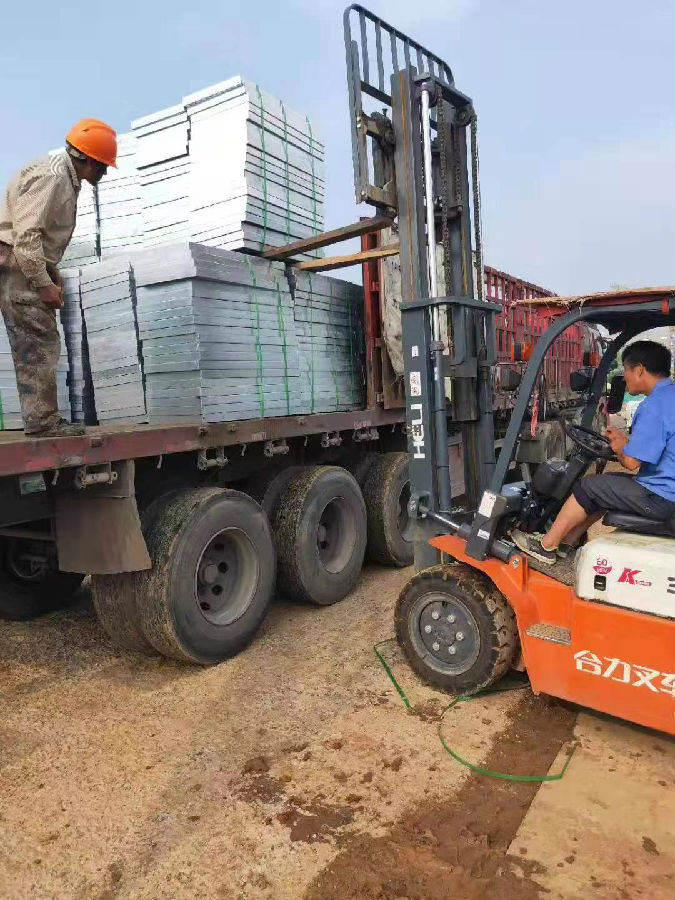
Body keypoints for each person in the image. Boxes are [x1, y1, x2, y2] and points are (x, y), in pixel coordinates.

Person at [0, 119, 117, 437]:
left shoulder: (56, 171)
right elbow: (25, 239)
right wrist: (43, 284)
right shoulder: (54, 178)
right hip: (16, 262)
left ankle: (42, 419)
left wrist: (53, 272)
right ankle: (42, 422)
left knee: (35, 337)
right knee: (37, 339)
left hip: (15, 259)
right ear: (89, 160)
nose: (104, 174)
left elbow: (36, 235)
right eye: (103, 166)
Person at [512, 340, 675, 565]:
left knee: (588, 486)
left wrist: (619, 447)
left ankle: (546, 546)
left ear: (639, 369)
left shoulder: (654, 406)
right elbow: (657, 445)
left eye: (626, 370)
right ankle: (566, 544)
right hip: (665, 491)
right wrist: (624, 441)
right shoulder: (669, 398)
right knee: (607, 484)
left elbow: (630, 462)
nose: (624, 377)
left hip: (662, 498)